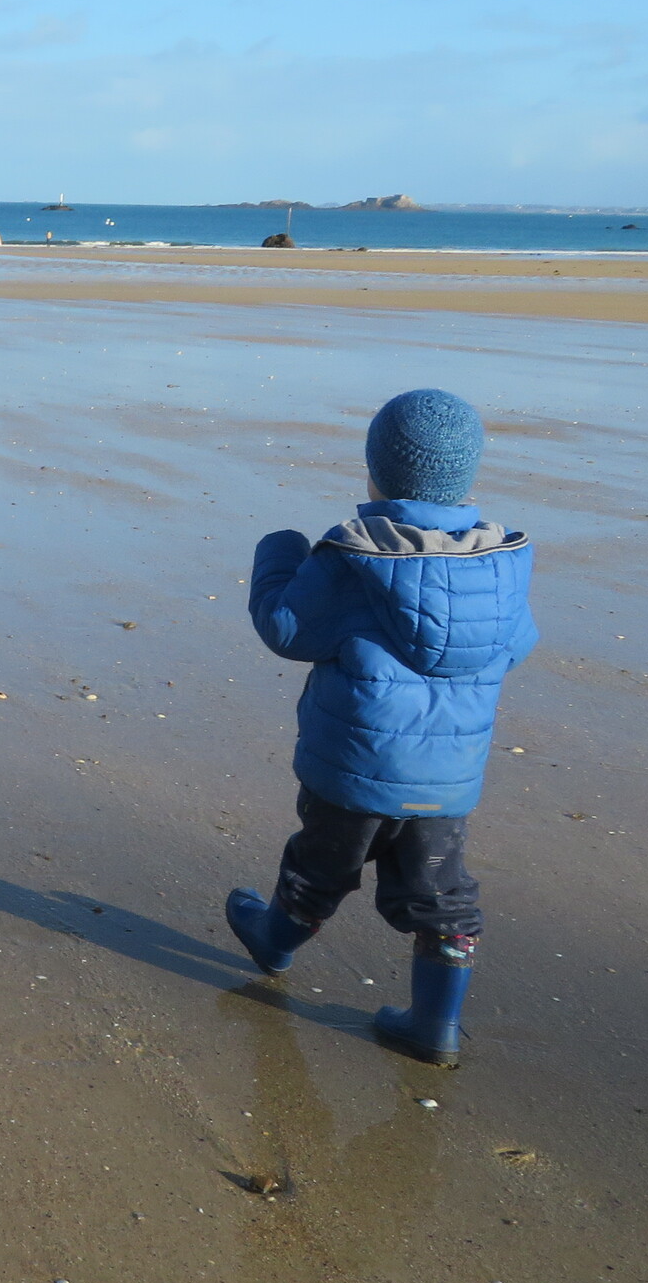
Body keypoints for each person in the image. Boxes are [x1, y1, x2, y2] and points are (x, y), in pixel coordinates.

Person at [223, 389, 537, 1068]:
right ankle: (435, 1026)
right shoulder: (502, 561)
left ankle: (274, 939)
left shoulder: (356, 554)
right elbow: (518, 644)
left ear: (376, 473)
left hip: (353, 771)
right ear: (467, 477)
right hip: (444, 783)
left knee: (319, 868)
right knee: (443, 898)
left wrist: (279, 554)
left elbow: (287, 630)